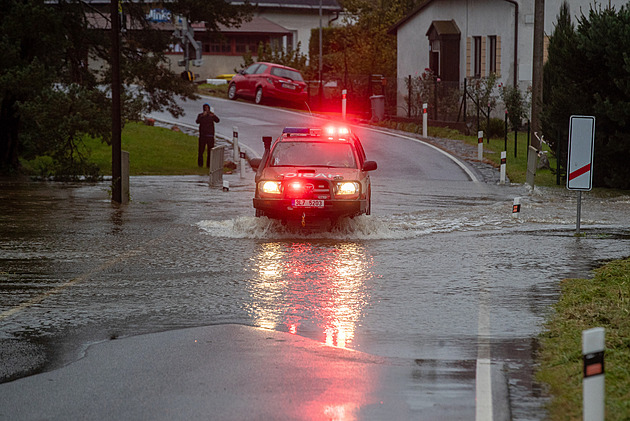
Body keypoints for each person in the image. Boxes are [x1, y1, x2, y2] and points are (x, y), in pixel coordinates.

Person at [196, 103, 220, 167]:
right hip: (202, 136)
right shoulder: (200, 115)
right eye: (205, 108)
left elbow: (217, 120)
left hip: (210, 136)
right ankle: (200, 164)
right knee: (201, 150)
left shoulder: (211, 116)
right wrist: (202, 116)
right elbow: (197, 121)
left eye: (207, 108)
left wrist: (213, 115)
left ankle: (209, 165)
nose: (206, 109)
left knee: (210, 151)